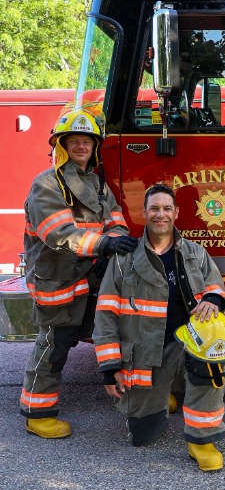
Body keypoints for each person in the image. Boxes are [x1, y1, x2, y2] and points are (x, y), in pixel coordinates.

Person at [93, 183, 225, 471]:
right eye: (155, 208)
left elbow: (222, 296)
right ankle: (162, 393)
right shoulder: (123, 259)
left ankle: (201, 440)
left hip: (185, 346)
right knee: (143, 436)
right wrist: (110, 369)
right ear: (144, 213)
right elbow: (105, 314)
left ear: (177, 213)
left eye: (167, 208)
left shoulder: (195, 253)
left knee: (213, 349)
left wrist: (213, 299)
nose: (161, 214)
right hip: (144, 357)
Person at [20, 105, 138, 438]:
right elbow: (58, 233)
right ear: (61, 145)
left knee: (113, 335)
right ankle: (37, 411)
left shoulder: (97, 185)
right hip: (58, 277)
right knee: (54, 343)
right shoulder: (47, 185)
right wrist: (104, 246)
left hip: (90, 275)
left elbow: (115, 220)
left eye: (87, 141)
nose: (81, 147)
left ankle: (137, 395)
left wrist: (116, 241)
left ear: (95, 146)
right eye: (73, 141)